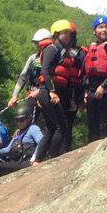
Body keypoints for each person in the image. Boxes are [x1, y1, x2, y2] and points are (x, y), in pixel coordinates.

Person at [35, 19, 85, 161]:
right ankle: (53, 158)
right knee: (61, 126)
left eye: (69, 33)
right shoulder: (52, 49)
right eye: (64, 33)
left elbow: (68, 80)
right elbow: (44, 71)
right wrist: (51, 91)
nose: (68, 36)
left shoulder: (64, 52)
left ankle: (37, 160)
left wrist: (70, 100)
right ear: (56, 34)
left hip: (58, 92)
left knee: (51, 128)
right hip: (49, 91)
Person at [83, 15, 107, 141]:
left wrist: (103, 86)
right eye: (100, 27)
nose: (104, 30)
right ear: (95, 31)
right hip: (92, 89)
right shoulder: (91, 47)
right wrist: (85, 91)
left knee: (104, 125)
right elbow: (85, 72)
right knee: (92, 125)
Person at [8, 29, 51, 108]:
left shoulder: (54, 59)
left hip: (48, 95)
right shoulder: (33, 59)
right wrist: (14, 95)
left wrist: (39, 92)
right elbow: (23, 78)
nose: (37, 46)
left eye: (37, 43)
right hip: (32, 95)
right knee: (27, 117)